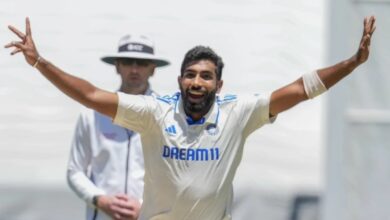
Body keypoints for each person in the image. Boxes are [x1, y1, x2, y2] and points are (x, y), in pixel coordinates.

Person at [5, 16, 376, 220]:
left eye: (206, 76)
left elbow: (299, 89)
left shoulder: (238, 111)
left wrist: (352, 63)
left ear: (219, 83)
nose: (197, 82)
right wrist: (40, 62)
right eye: (191, 75)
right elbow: (89, 94)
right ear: (179, 79)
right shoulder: (153, 111)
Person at [66, 34, 169, 220]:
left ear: (153, 69)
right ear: (117, 66)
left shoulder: (167, 115)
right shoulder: (92, 113)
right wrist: (100, 200)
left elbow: (177, 177)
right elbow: (75, 171)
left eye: (142, 63)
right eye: (128, 61)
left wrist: (146, 208)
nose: (135, 69)